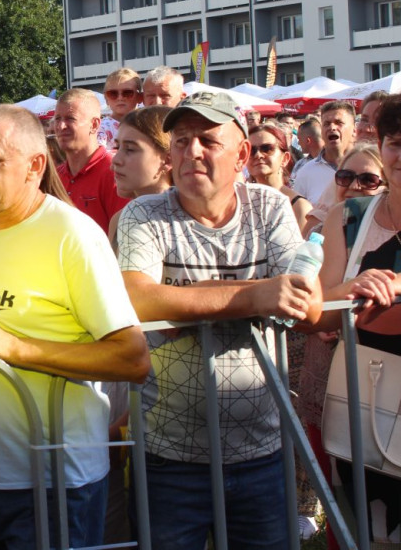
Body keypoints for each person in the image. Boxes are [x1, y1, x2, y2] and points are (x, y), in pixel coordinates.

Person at [0, 104, 149, 550]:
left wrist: (15, 348)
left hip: (57, 479)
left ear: (35, 166)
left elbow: (133, 357)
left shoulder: (72, 235)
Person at [118, 90, 318, 549]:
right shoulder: (144, 213)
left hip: (262, 452)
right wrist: (260, 295)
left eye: (208, 140)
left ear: (242, 153)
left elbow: (301, 300)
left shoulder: (268, 207)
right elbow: (139, 301)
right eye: (182, 140)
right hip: (168, 456)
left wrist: (184, 301)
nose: (192, 152)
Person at [304, 94, 401, 544]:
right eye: (396, 142)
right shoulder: (348, 216)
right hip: (363, 393)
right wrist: (355, 289)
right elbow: (318, 310)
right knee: (362, 527)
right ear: (381, 147)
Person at [53, 88, 129, 232]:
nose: (61, 126)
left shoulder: (114, 173)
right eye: (57, 119)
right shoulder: (56, 176)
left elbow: (121, 237)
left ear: (94, 125)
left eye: (70, 118)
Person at [108, 106, 172, 247]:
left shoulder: (187, 223)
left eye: (130, 149)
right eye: (117, 147)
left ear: (167, 159)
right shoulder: (119, 219)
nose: (116, 160)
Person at [247, 123, 312, 230]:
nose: (258, 155)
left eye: (267, 149)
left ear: (285, 158)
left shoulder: (299, 207)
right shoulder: (239, 202)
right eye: (251, 151)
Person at [293, 100, 357, 204]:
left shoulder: (368, 168)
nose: (332, 127)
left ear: (354, 130)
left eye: (339, 123)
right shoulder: (305, 172)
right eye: (326, 124)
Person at [98, 68, 143, 150]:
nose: (120, 98)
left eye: (127, 93)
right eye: (113, 93)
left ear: (140, 97)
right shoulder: (102, 128)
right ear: (106, 99)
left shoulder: (147, 125)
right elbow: (99, 155)